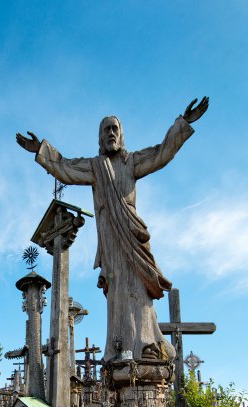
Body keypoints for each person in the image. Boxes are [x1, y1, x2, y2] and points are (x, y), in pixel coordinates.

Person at [16, 97, 209, 363]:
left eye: (114, 129)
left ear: (121, 135)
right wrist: (41, 149)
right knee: (117, 288)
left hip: (132, 236)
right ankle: (119, 347)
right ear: (99, 138)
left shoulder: (132, 162)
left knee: (137, 287)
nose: (110, 133)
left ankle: (146, 342)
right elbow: (65, 168)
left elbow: (162, 153)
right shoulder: (95, 167)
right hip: (110, 242)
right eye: (105, 130)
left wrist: (183, 123)